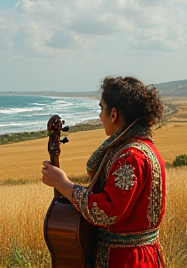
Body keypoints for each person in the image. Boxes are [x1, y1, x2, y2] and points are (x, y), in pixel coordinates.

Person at [41, 76, 166, 268]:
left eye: (101, 108)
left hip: (125, 260)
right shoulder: (143, 147)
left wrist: (62, 183)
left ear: (114, 113)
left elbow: (105, 212)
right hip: (140, 256)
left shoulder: (130, 157)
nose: (100, 116)